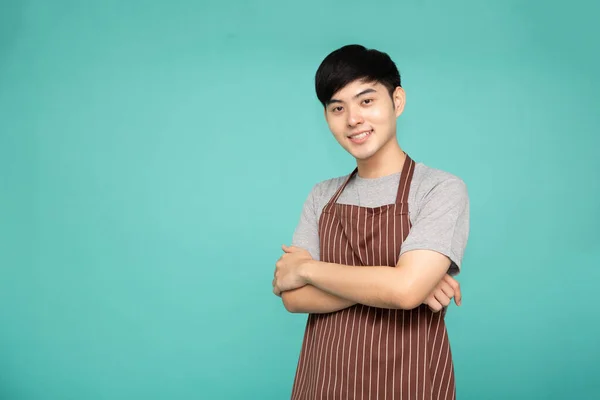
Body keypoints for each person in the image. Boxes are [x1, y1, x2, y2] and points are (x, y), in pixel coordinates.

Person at [272, 44, 470, 400]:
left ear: (397, 101)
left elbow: (404, 290)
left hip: (407, 382)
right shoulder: (322, 196)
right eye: (337, 108)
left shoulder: (439, 188)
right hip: (324, 383)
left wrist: (306, 270)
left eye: (366, 101)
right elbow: (293, 299)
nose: (352, 119)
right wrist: (398, 283)